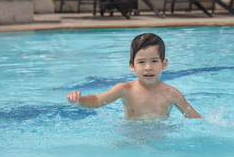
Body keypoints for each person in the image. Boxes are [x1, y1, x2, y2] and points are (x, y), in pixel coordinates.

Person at [66, 33, 201, 120]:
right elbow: (97, 101)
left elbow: (196, 120)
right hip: (132, 136)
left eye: (154, 61)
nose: (148, 67)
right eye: (141, 62)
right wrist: (79, 100)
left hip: (161, 137)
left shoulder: (172, 94)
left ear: (164, 63)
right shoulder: (125, 89)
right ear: (132, 65)